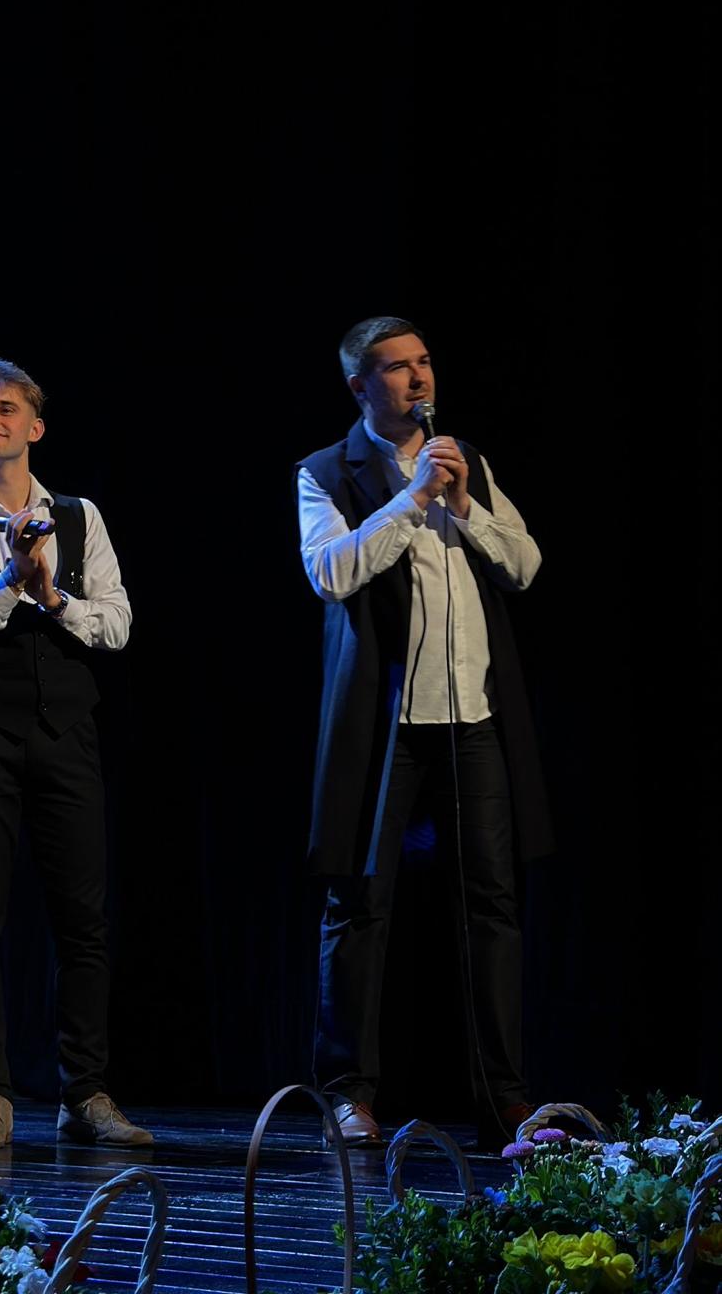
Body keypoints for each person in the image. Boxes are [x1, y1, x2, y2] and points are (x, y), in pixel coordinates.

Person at [296, 316, 552, 1150]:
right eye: (398, 368)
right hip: (385, 724)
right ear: (360, 386)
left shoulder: (462, 460)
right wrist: (411, 501)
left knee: (491, 906)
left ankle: (504, 1098)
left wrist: (465, 505)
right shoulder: (325, 473)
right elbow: (331, 572)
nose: (418, 378)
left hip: (471, 716)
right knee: (359, 903)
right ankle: (348, 1092)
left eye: (424, 362)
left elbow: (524, 566)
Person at [0, 357, 152, 1150]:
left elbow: (117, 624)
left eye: (6, 408)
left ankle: (85, 1092)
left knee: (82, 919)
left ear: (35, 426)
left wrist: (52, 596)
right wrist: (10, 583)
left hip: (66, 734)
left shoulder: (80, 516)